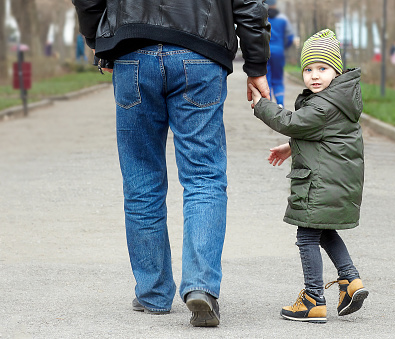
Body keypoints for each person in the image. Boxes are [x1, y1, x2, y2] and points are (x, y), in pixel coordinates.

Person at [72, 0, 270, 327]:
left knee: (141, 179)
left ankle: (153, 293)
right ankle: (201, 286)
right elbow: (250, 3)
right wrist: (257, 64)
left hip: (133, 51)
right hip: (201, 53)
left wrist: (99, 40)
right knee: (204, 177)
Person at [249, 29, 368, 323]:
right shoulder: (338, 99)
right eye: (308, 69)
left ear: (336, 71)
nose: (315, 75)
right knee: (324, 230)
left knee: (306, 235)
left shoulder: (323, 104)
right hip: (335, 180)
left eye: (323, 68)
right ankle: (350, 281)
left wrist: (260, 105)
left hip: (321, 183)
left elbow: (291, 122)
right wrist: (292, 147)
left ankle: (313, 298)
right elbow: (323, 136)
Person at [266, 0, 294, 107]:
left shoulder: (262, 18)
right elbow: (290, 37)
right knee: (277, 78)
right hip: (279, 52)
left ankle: (267, 103)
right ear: (275, 4)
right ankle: (280, 103)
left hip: (265, 52)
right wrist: (283, 47)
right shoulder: (283, 19)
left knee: (266, 76)